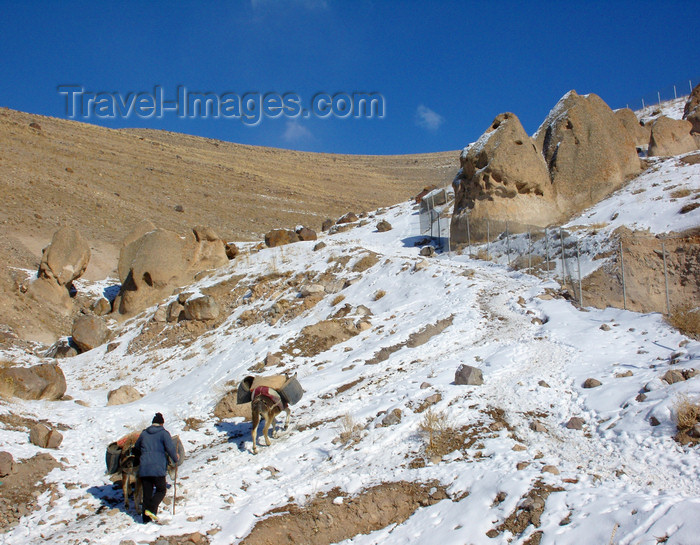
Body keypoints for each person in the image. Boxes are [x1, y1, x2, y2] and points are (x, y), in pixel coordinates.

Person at [133, 412, 178, 523]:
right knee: (161, 490)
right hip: (157, 467)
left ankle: (145, 520)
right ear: (162, 423)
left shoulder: (144, 433)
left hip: (144, 468)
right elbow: (170, 448)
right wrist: (176, 458)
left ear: (152, 423)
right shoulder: (164, 433)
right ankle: (151, 509)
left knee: (147, 493)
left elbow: (136, 447)